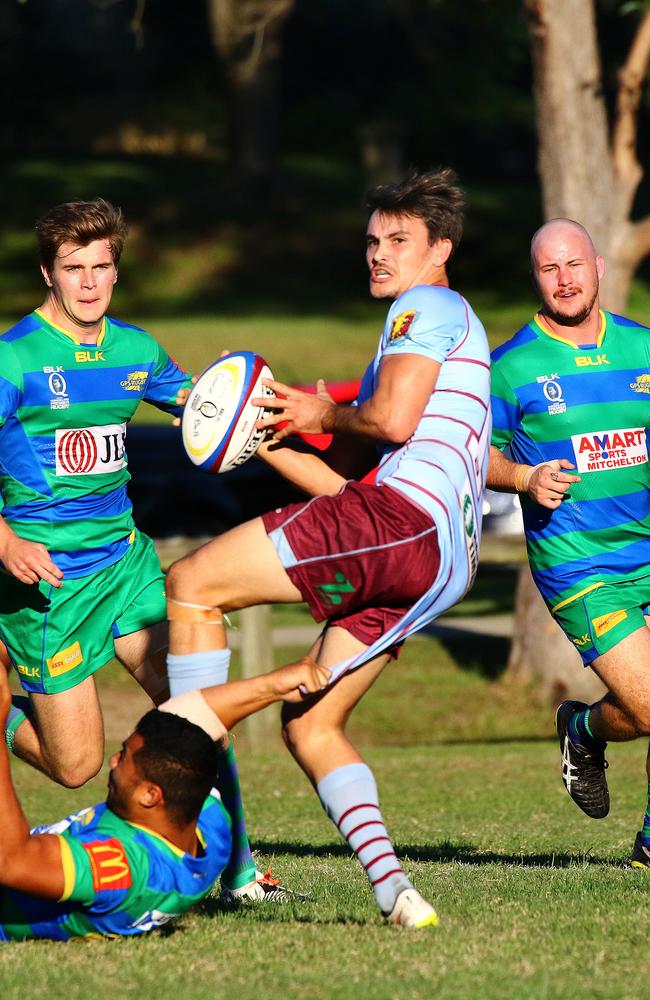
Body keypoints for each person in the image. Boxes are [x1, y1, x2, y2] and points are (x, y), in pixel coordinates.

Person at [164, 169, 491, 926]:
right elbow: (337, 484)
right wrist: (259, 427)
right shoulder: (413, 337)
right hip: (440, 558)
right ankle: (397, 893)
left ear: (440, 248)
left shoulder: (428, 304)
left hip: (402, 520)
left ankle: (192, 818)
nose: (379, 255)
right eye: (372, 241)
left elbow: (393, 422)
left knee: (189, 583)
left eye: (399, 241)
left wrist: (323, 407)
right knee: (311, 722)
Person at [0, 198, 277, 903]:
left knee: (197, 707)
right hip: (49, 585)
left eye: (101, 267)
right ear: (47, 272)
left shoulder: (136, 350)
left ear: (117, 271)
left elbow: (202, 410)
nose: (89, 282)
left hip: (125, 566)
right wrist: (5, 539)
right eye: (73, 268)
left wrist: (231, 391)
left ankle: (240, 870)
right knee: (76, 764)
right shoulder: (14, 359)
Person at [488, 218, 650, 868]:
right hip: (582, 567)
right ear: (537, 277)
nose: (564, 279)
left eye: (574, 265)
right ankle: (582, 729)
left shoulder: (642, 348)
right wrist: (523, 476)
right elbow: (471, 457)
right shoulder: (510, 367)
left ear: (599, 266)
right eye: (550, 269)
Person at [0, 653, 329, 941]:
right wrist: (275, 684)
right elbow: (200, 718)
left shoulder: (119, 868)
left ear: (149, 794)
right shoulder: (209, 827)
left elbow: (11, 861)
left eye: (123, 756)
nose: (113, 762)